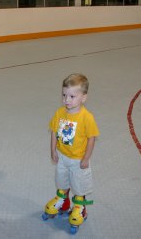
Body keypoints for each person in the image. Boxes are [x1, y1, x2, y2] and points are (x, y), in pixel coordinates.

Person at [42, 73, 99, 234]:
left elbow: (91, 138)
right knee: (61, 181)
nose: (67, 100)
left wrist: (86, 158)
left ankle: (80, 207)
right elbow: (54, 131)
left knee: (79, 186)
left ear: (83, 97)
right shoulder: (60, 113)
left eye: (72, 96)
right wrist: (52, 150)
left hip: (78, 160)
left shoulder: (87, 117)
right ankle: (63, 201)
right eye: (64, 95)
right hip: (62, 157)